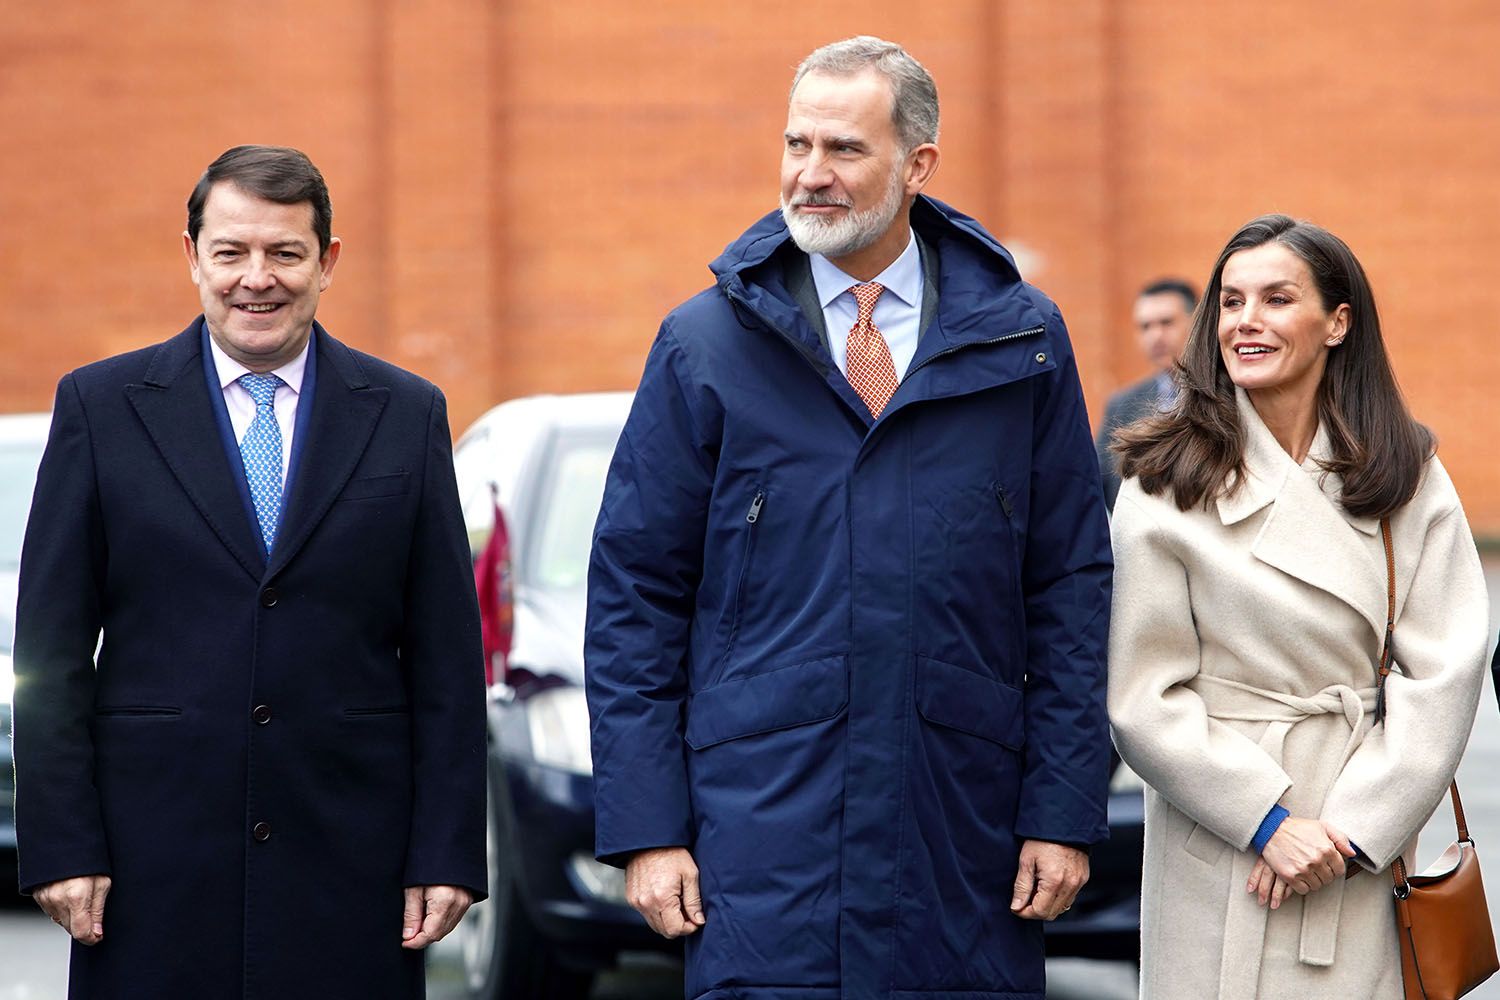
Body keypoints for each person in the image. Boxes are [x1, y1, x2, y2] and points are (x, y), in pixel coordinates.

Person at [585, 36, 1112, 1000]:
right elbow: (635, 595)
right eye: (796, 145)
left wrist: (1065, 808)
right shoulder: (706, 344)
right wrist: (647, 828)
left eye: (843, 150)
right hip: (764, 837)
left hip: (963, 835)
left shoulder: (1021, 340)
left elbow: (1071, 586)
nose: (810, 176)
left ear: (919, 166)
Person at [12, 145, 487, 998]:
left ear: (327, 262)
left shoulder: (407, 415)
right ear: (191, 256)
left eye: (285, 253)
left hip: (352, 863)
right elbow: (47, 654)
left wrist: (446, 849)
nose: (255, 279)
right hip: (149, 864)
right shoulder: (101, 407)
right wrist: (63, 843)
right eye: (231, 252)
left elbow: (448, 658)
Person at [1108, 214, 1488, 999]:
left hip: (1360, 838)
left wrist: (1348, 835)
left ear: (1337, 322)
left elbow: (1446, 671)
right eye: (1232, 301)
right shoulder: (1162, 481)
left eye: (1277, 300)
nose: (1246, 321)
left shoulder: (1403, 474)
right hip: (1220, 840)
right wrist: (1267, 822)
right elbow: (1143, 697)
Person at [1094, 278, 1196, 510]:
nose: (1155, 336)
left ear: (1197, 321)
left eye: (1166, 323)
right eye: (1145, 327)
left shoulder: (1230, 391)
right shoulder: (1122, 404)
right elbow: (1099, 483)